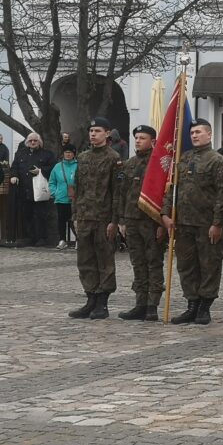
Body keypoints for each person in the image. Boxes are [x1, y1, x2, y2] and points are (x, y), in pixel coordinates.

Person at [161, 119, 223, 326]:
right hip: (183, 223)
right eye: (192, 132)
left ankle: (204, 307)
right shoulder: (183, 159)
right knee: (187, 266)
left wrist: (218, 223)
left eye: (198, 132)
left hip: (206, 223)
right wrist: (165, 213)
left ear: (209, 135)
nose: (194, 135)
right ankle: (191, 304)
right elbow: (172, 188)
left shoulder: (217, 161)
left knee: (209, 266)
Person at [68, 118, 123, 320]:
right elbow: (77, 188)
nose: (93, 134)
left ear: (107, 134)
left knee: (104, 260)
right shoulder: (82, 157)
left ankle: (102, 302)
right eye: (91, 130)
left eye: (97, 131)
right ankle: (90, 298)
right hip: (84, 217)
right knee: (85, 260)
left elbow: (117, 192)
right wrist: (75, 215)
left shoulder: (113, 158)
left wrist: (114, 220)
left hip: (103, 217)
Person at [117, 126, 167, 321]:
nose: (138, 141)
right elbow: (122, 193)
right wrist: (122, 220)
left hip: (151, 221)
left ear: (153, 141)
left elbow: (166, 193)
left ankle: (152, 305)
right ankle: (140, 303)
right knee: (138, 262)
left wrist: (163, 222)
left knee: (154, 262)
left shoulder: (160, 164)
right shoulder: (129, 164)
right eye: (136, 138)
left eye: (142, 138)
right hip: (132, 219)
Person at [10, 132, 55, 246]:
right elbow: (14, 167)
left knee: (40, 215)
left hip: (39, 191)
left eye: (35, 140)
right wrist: (14, 176)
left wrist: (40, 171)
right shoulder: (20, 154)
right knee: (27, 215)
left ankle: (41, 238)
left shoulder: (46, 154)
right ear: (27, 142)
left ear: (39, 142)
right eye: (31, 141)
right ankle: (31, 238)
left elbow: (53, 167)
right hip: (25, 191)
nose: (33, 142)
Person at [49, 144, 78, 250]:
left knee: (74, 220)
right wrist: (54, 192)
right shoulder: (57, 167)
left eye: (70, 152)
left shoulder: (78, 165)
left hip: (75, 198)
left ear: (74, 154)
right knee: (61, 220)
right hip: (61, 198)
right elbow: (52, 181)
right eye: (66, 152)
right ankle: (62, 240)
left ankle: (78, 239)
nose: (68, 154)